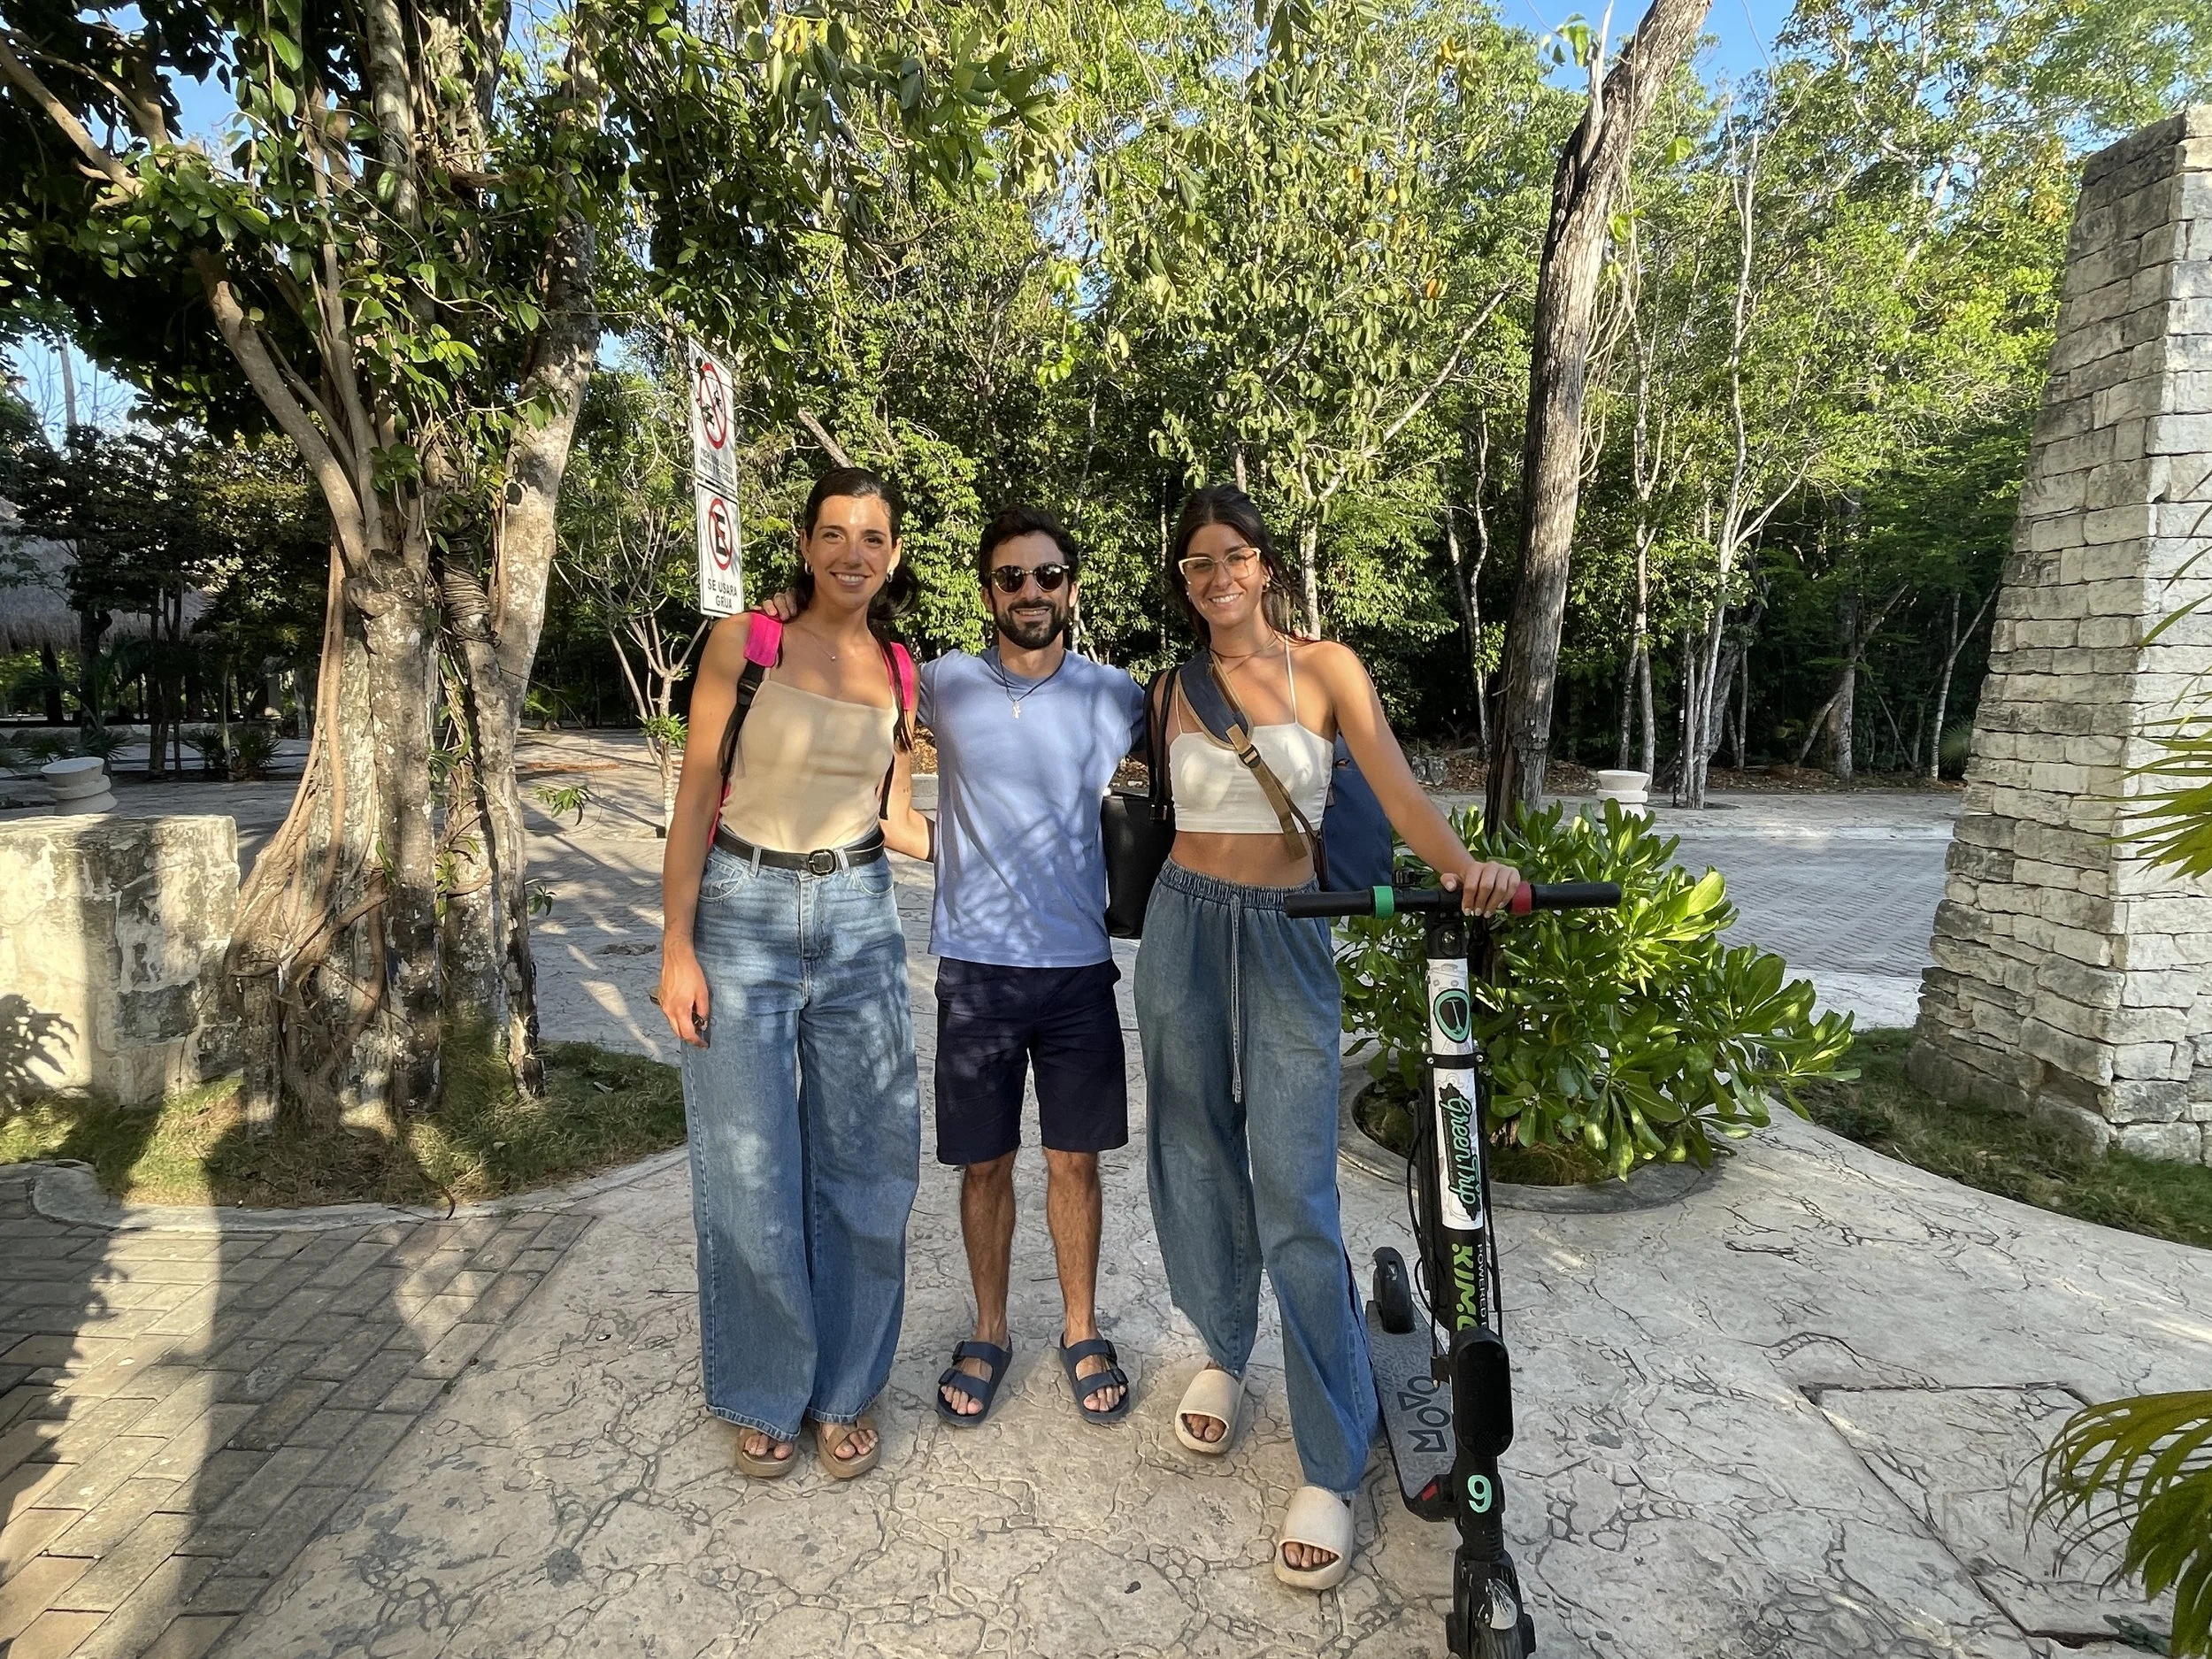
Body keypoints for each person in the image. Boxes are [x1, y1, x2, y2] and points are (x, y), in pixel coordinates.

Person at [1136, 484, 1518, 1592]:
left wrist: (1462, 870)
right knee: (1192, 1152)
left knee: (1293, 1185)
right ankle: (1221, 1346)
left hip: (1292, 932)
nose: (1216, 578)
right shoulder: (1167, 688)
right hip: (1181, 928)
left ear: (1266, 566)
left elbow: (1395, 788)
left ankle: (1330, 1452)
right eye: (1196, 564)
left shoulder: (1328, 668)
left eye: (1234, 557)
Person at [764, 503, 1145, 1428]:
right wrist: (787, 601)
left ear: (1072, 589)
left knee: (1074, 1162)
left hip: (1077, 969)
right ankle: (988, 1328)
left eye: (1047, 576)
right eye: (1011, 578)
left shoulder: (1117, 695)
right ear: (988, 592)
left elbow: (1209, 741)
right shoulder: (941, 683)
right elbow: (848, 665)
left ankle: (1082, 1328)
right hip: (974, 971)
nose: (1029, 593)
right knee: (984, 1165)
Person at [656, 466, 933, 1483]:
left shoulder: (900, 669)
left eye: (871, 537)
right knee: (749, 1163)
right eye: (833, 534)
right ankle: (768, 1387)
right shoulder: (747, 644)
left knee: (870, 1163)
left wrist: (995, 844)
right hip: (743, 911)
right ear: (807, 544)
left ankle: (847, 1388)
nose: (852, 553)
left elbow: (895, 817)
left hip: (859, 915)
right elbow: (694, 798)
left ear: (892, 555)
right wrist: (675, 944)